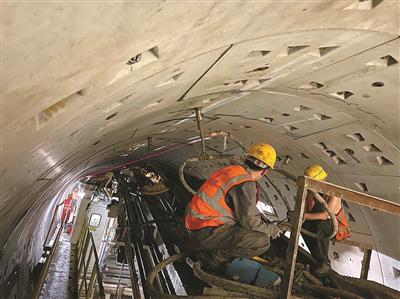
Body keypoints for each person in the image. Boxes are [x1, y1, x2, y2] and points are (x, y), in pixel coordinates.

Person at [184, 143, 283, 272]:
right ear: (265, 171)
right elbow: (250, 222)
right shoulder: (246, 183)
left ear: (247, 159)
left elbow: (243, 208)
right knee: (261, 241)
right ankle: (212, 259)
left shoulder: (232, 170)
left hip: (192, 222)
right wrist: (271, 230)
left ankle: (206, 249)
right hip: (204, 230)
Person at [301, 164, 350, 276]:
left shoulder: (334, 193)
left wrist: (303, 216)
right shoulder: (313, 193)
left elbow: (325, 215)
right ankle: (317, 258)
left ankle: (325, 263)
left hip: (335, 227)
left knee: (320, 226)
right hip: (319, 223)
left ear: (322, 181)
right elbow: (307, 211)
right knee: (304, 227)